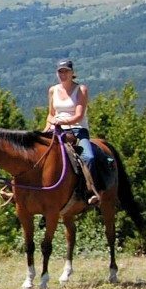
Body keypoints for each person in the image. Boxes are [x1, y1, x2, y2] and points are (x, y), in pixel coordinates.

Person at [45, 59, 103, 206]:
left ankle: (90, 191)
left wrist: (61, 122)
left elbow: (79, 115)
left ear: (72, 73)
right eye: (60, 71)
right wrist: (46, 128)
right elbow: (51, 114)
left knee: (88, 157)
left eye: (66, 71)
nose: (63, 74)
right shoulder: (53, 90)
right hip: (56, 130)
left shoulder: (81, 89)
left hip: (78, 130)